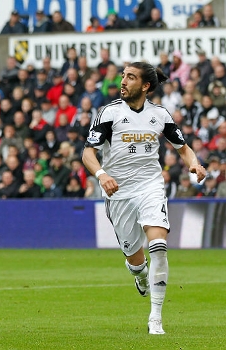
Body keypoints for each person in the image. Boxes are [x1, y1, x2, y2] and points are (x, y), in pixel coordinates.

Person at [82, 62, 207, 335]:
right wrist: (102, 175)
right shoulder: (109, 112)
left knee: (159, 244)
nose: (122, 81)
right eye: (123, 76)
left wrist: (194, 164)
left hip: (150, 185)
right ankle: (139, 273)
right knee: (135, 259)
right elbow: (88, 153)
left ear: (145, 85)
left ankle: (155, 318)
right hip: (118, 191)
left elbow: (183, 148)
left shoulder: (160, 114)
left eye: (130, 77)